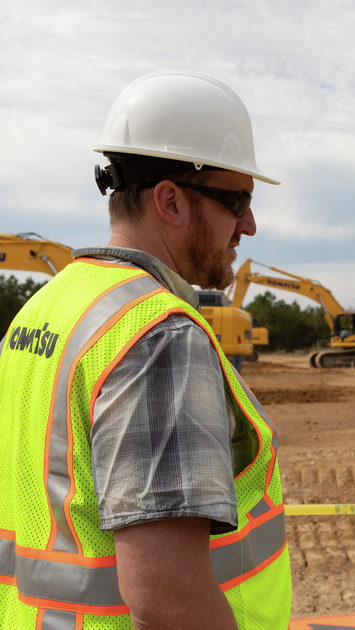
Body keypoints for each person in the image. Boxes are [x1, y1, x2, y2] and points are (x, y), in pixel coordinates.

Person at [0, 71, 292, 629]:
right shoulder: (157, 336)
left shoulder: (44, 308)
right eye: (237, 200)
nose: (249, 225)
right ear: (171, 201)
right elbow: (169, 603)